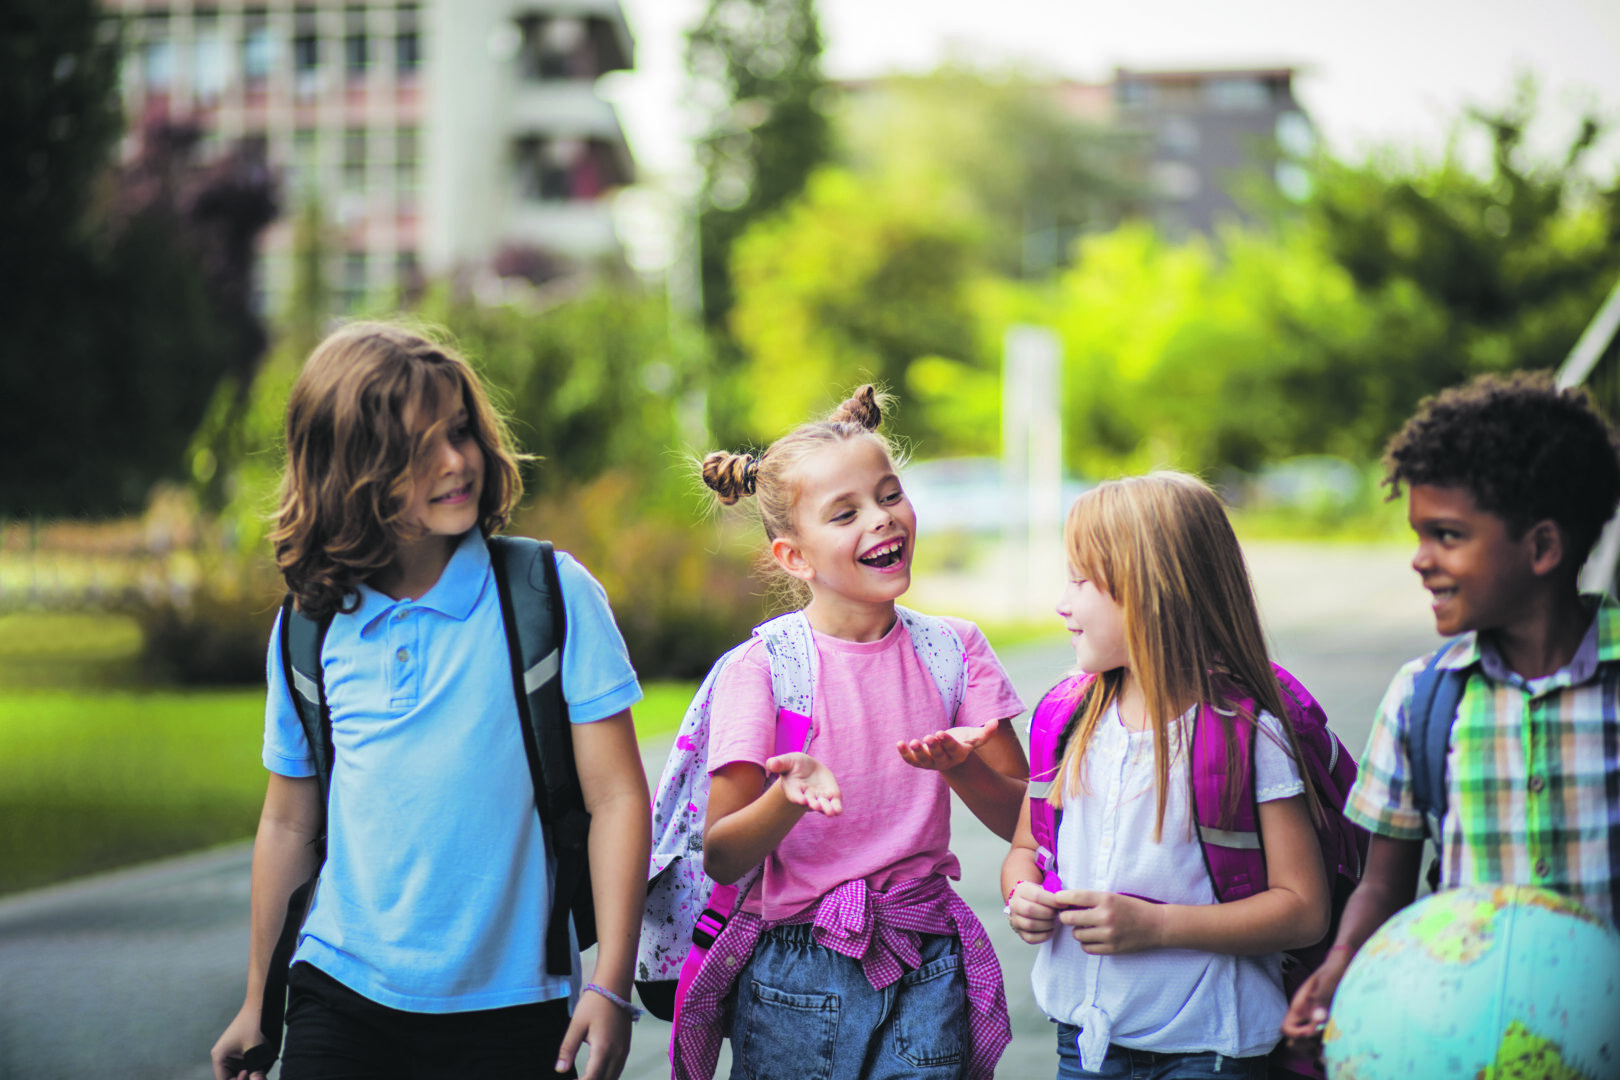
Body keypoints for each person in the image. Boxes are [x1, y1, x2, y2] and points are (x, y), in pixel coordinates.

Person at [209, 322, 651, 1080]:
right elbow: (288, 821)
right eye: (419, 450)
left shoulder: (548, 595)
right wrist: (259, 1001)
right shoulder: (310, 626)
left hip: (513, 1008)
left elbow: (616, 798)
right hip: (338, 993)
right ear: (348, 472)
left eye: (460, 432)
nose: (456, 461)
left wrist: (610, 982)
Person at [672, 386, 1029, 1080]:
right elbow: (721, 856)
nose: (882, 519)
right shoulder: (763, 669)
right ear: (794, 557)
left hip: (925, 957)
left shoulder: (955, 652)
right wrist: (788, 797)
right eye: (845, 513)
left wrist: (964, 769)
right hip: (794, 973)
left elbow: (1028, 819)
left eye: (890, 495)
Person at [1281, 372, 1620, 1050]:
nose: (1419, 559)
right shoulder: (1423, 698)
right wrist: (1345, 961)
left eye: (1447, 535)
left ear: (1543, 548)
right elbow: (1384, 884)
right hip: (1477, 1038)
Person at [1002, 471, 1331, 1080]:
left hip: (1211, 1047)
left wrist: (1156, 925)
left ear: (1150, 591)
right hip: (1085, 1041)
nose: (1062, 602)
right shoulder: (1066, 719)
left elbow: (1303, 907)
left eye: (1080, 580)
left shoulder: (1248, 735)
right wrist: (1021, 895)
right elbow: (1026, 847)